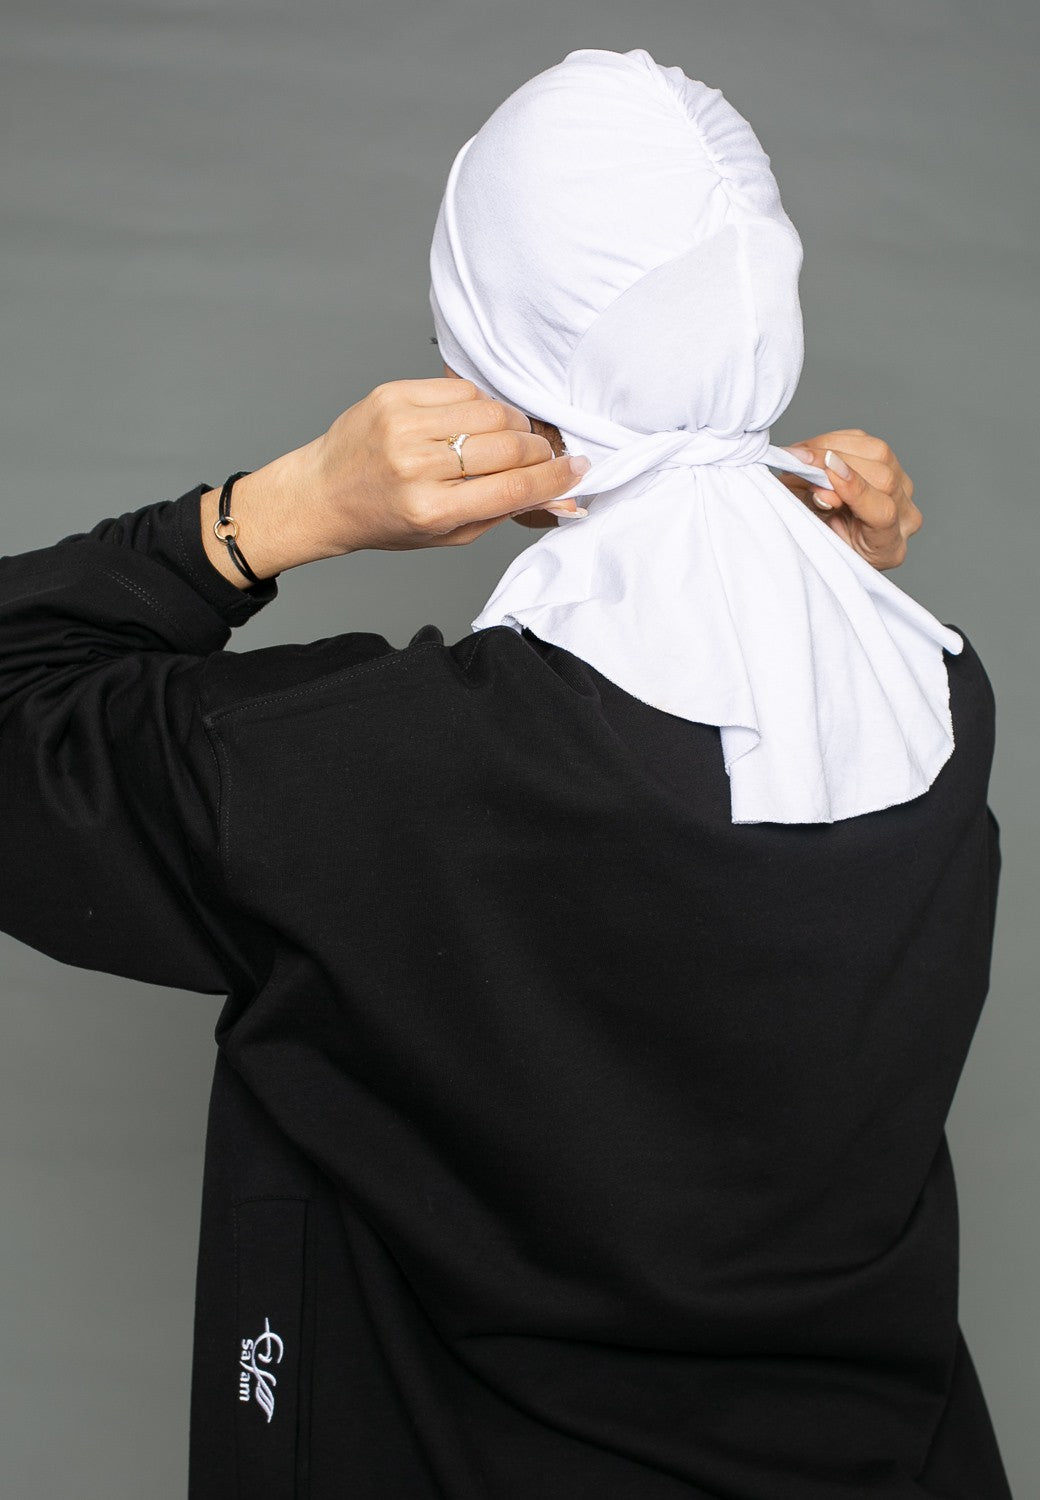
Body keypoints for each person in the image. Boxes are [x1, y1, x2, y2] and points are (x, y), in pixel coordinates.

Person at [0, 44, 1009, 1500]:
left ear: (493, 366)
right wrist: (801, 560)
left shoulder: (377, 776)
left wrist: (280, 510)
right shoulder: (938, 694)